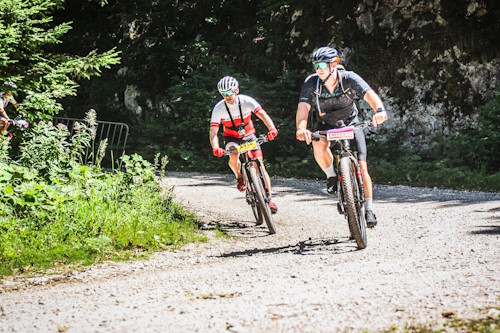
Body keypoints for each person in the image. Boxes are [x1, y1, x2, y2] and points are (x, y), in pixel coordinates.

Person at [295, 46, 388, 227]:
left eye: (323, 64)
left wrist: (379, 110)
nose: (319, 69)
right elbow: (303, 108)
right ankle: (331, 176)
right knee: (318, 145)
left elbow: (370, 95)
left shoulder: (349, 78)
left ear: (334, 64)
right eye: (316, 65)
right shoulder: (312, 82)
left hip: (351, 123)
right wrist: (301, 127)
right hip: (325, 124)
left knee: (362, 167)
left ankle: (369, 208)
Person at [210, 76, 279, 214]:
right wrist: (215, 147)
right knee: (233, 155)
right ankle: (239, 176)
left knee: (259, 163)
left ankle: (269, 199)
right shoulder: (219, 108)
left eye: (229, 92)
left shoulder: (247, 101)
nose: (227, 96)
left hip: (249, 135)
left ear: (236, 90)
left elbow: (263, 115)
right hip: (231, 137)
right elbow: (213, 132)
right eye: (224, 94)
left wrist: (272, 129)